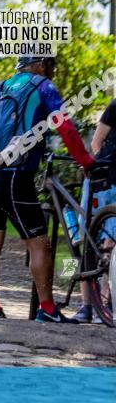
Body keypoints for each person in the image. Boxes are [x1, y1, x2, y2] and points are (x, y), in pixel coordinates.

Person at [0, 56, 94, 323]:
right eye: (51, 65)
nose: (52, 71)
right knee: (40, 244)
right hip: (15, 176)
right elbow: (65, 127)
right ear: (40, 64)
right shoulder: (43, 87)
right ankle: (48, 310)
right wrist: (85, 161)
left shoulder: (0, 87)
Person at [71, 98, 116, 322]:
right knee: (89, 239)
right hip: (103, 180)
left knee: (111, 244)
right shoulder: (115, 105)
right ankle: (87, 305)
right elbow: (97, 143)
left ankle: (106, 304)